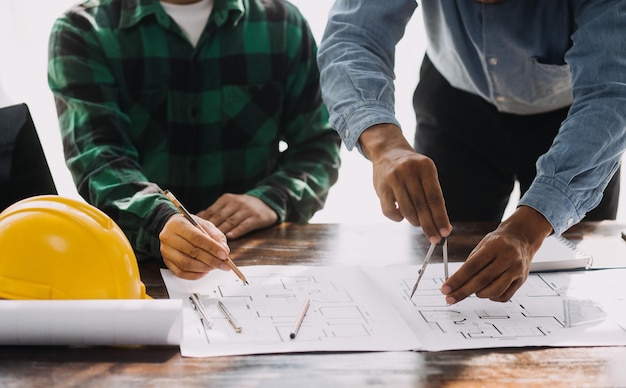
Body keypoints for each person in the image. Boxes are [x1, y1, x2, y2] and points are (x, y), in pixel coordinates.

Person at [317, 1, 626, 303]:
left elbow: (612, 93)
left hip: (577, 120)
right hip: (456, 104)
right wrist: (383, 142)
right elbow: (353, 36)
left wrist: (533, 225)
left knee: (573, 283)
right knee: (443, 256)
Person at [48, 0, 341, 280]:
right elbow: (97, 157)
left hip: (255, 261)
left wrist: (273, 198)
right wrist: (158, 219)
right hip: (137, 263)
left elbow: (319, 144)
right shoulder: (83, 29)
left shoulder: (283, 24)